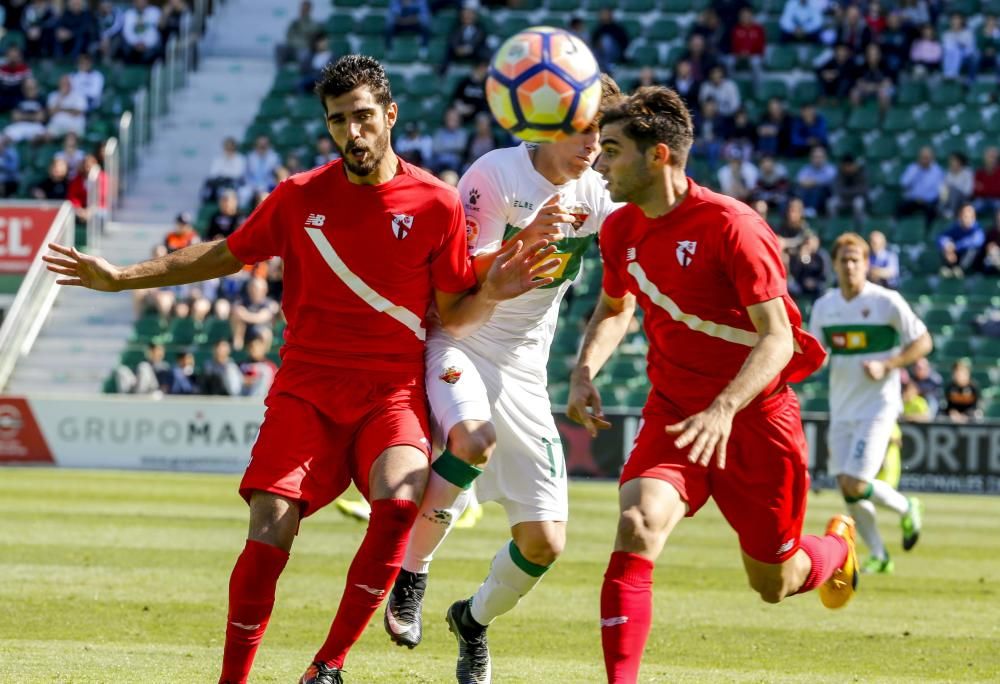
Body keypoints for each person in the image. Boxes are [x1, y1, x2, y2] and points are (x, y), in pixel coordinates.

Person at [43, 55, 556, 684]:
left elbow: (452, 312)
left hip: (389, 394)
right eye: (339, 121)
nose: (353, 133)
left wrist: (496, 290)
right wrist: (122, 276)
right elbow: (225, 255)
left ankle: (328, 667)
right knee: (269, 530)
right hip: (306, 393)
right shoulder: (298, 197)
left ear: (389, 116)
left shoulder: (436, 204)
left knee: (399, 503)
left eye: (364, 116)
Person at [568, 86, 856, 684]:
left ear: (658, 157)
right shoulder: (620, 229)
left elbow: (778, 338)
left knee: (774, 583)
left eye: (614, 150)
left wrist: (726, 406)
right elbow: (615, 307)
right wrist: (584, 369)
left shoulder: (735, 227)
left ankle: (836, 552)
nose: (600, 163)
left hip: (755, 420)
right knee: (636, 524)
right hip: (674, 412)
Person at [382, 74, 623, 684]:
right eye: (582, 128)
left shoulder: (599, 193)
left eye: (602, 131)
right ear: (546, 123)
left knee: (545, 542)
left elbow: (625, 290)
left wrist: (585, 369)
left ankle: (472, 620)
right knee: (471, 439)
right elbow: (457, 285)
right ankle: (411, 573)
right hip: (461, 340)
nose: (593, 143)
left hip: (525, 371)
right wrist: (525, 241)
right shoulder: (493, 175)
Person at [810, 233, 930, 575]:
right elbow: (818, 354)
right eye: (844, 260)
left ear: (866, 264)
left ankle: (908, 506)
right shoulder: (824, 307)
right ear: (834, 265)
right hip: (841, 407)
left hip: (878, 407)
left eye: (856, 260)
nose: (849, 266)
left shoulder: (886, 302)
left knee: (857, 482)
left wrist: (889, 365)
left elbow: (924, 342)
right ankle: (879, 554)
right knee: (847, 489)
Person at [937, 202, 985, 277]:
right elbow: (942, 237)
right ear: (960, 216)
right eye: (965, 216)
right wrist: (947, 246)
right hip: (954, 256)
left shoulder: (978, 229)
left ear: (974, 217)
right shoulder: (956, 227)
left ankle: (960, 270)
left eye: (970, 216)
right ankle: (948, 268)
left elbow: (976, 242)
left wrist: (955, 247)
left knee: (971, 250)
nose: (967, 219)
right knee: (945, 247)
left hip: (972, 263)